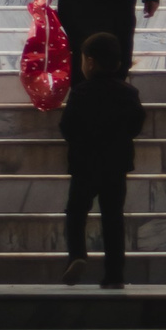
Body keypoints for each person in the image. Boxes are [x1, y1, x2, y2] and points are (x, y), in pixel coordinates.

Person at [58, 31, 144, 288]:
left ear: (91, 62)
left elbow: (67, 127)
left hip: (84, 165)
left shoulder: (80, 93)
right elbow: (136, 124)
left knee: (76, 211)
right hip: (116, 166)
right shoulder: (129, 93)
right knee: (113, 217)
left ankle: (77, 255)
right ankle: (114, 275)